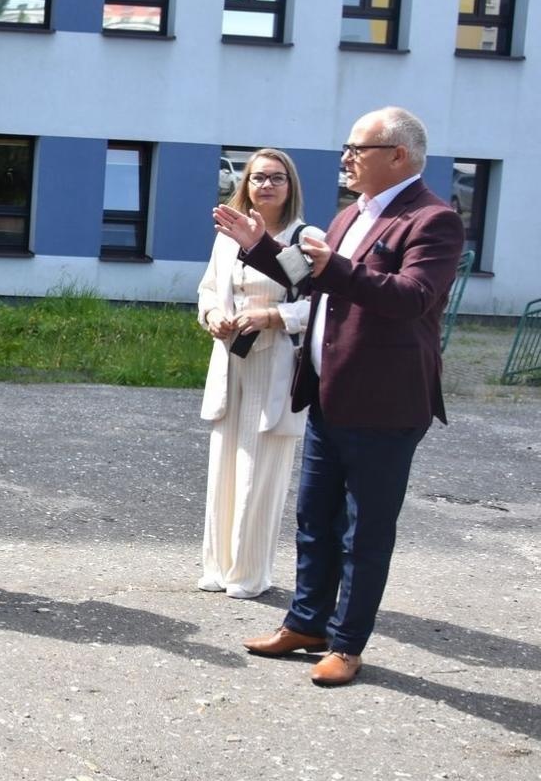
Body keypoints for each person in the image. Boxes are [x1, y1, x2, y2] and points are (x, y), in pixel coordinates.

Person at [213, 107, 464, 687]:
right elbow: (311, 279)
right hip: (329, 391)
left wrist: (338, 267)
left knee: (363, 532)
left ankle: (347, 645)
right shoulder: (352, 213)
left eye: (357, 148)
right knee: (315, 519)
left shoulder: (434, 220)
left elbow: (412, 297)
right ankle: (306, 624)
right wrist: (261, 248)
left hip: (385, 403)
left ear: (397, 156)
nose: (346, 158)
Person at [196, 149, 322, 599]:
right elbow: (209, 288)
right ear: (245, 185)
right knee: (224, 468)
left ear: (291, 186)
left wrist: (274, 316)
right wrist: (213, 315)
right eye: (258, 178)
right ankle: (217, 568)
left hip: (276, 363)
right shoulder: (228, 237)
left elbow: (322, 306)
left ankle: (249, 575)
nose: (266, 185)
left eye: (276, 178)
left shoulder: (305, 239)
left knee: (260, 473)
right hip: (231, 360)